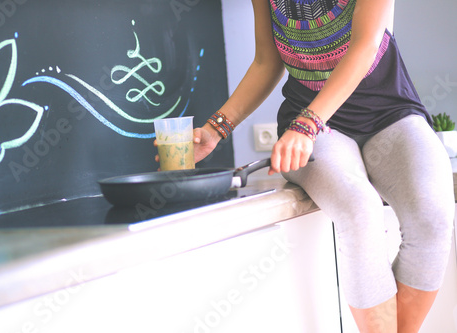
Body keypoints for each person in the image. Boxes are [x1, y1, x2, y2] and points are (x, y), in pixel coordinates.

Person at [189, 0, 455, 331]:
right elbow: (265, 62)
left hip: (390, 113)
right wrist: (217, 128)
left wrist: (307, 125)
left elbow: (365, 45)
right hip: (315, 125)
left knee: (434, 217)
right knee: (359, 210)